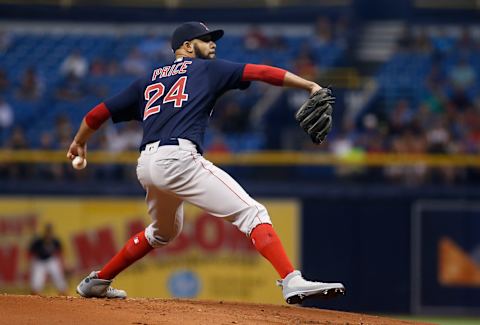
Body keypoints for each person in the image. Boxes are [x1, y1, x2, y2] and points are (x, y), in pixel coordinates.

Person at [68, 21, 345, 304]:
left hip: (147, 164)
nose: (213, 44)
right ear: (187, 46)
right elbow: (261, 72)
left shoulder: (147, 79)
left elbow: (96, 114)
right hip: (177, 159)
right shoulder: (207, 69)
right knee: (252, 213)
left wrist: (79, 141)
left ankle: (98, 281)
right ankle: (291, 280)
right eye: (205, 39)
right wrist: (309, 84)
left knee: (163, 232)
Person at [28, 223, 68, 295]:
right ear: (45, 231)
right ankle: (34, 296)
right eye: (47, 230)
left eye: (50, 231)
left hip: (51, 260)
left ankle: (63, 293)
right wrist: (30, 264)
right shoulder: (38, 241)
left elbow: (60, 252)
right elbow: (30, 252)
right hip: (39, 261)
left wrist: (64, 264)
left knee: (58, 277)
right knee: (36, 282)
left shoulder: (55, 241)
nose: (49, 232)